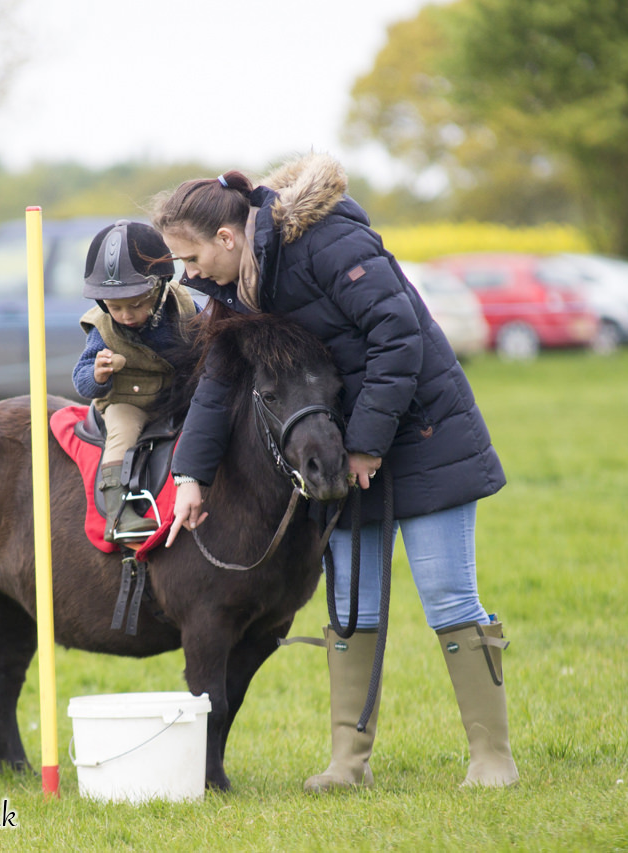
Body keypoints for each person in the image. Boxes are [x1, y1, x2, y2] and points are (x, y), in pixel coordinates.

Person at [153, 153, 518, 791]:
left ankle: (493, 761)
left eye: (189, 259)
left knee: (449, 599)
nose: (188, 274)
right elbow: (217, 384)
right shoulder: (232, 286)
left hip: (425, 434)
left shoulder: (326, 241)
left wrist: (370, 444)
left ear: (227, 237)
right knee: (351, 605)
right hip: (340, 451)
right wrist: (191, 476)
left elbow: (399, 334)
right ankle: (348, 765)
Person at [72, 220, 197, 542]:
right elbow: (81, 378)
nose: (126, 315)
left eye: (136, 305)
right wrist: (98, 375)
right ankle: (118, 514)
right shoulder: (103, 329)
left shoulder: (185, 308)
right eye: (116, 307)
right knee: (123, 431)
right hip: (128, 399)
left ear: (159, 289)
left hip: (179, 394)